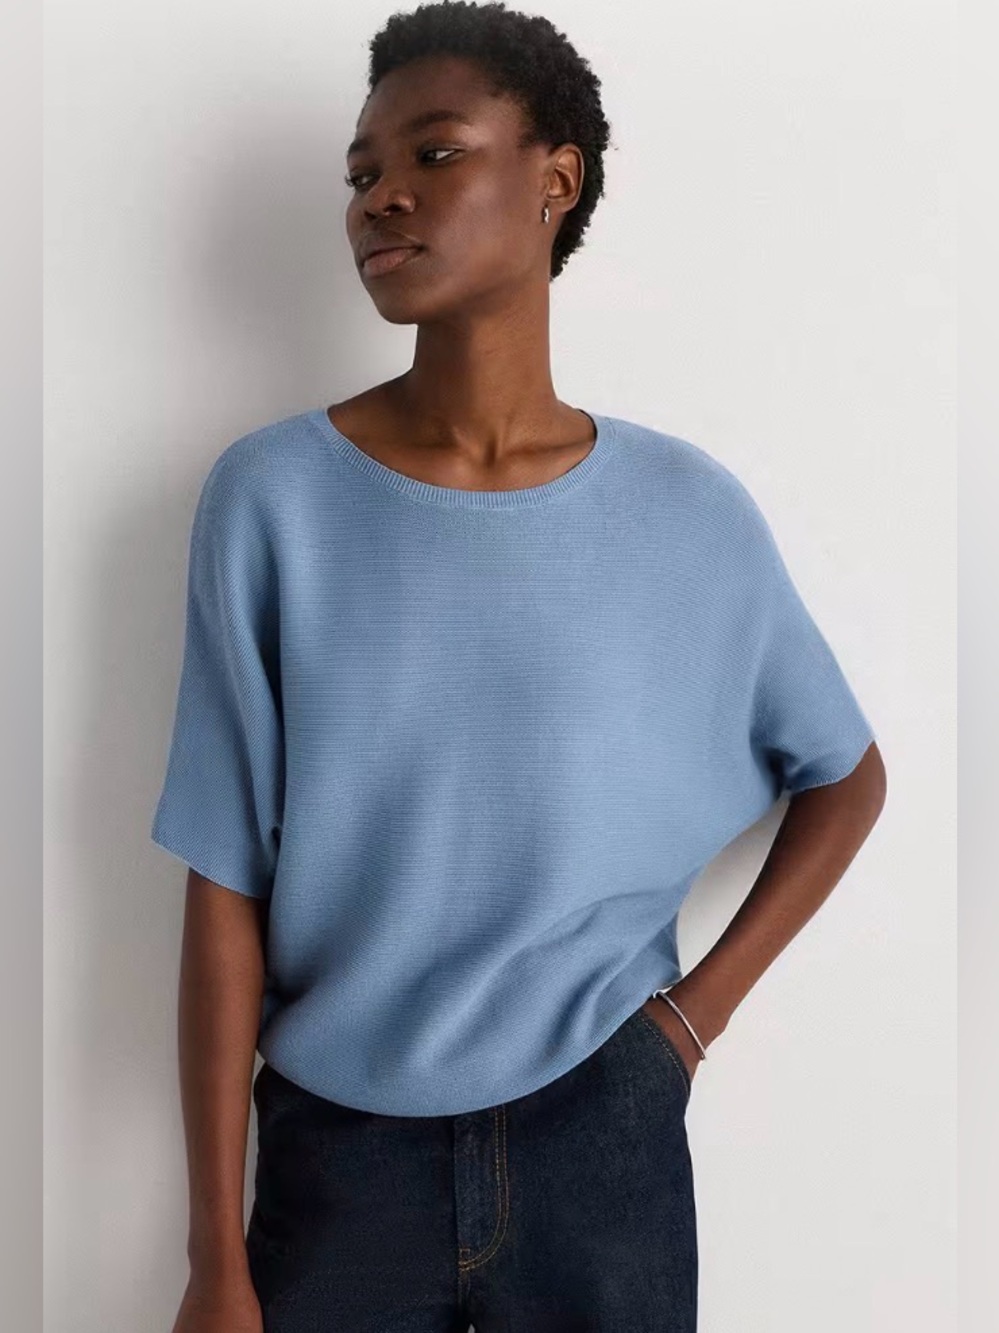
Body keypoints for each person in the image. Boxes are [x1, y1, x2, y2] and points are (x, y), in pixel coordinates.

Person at [151, 3, 888, 1330]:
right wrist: (216, 1256)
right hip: (337, 1155)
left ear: (556, 180)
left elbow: (846, 774)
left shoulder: (686, 512)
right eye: (361, 173)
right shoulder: (271, 500)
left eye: (433, 154)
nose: (381, 196)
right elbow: (223, 884)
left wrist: (688, 1026)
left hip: (601, 1134)